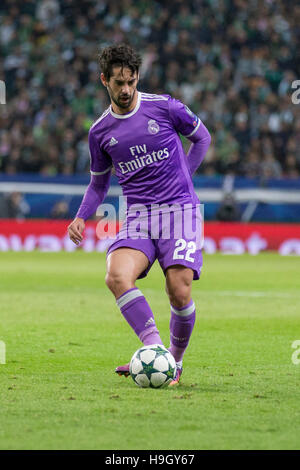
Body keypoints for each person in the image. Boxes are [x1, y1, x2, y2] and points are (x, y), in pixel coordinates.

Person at [68, 44, 211, 385]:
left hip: (180, 211)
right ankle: (156, 352)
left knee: (179, 290)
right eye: (118, 82)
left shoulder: (164, 107)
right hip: (139, 217)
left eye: (131, 81)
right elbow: (99, 185)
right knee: (116, 276)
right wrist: (80, 216)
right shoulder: (100, 132)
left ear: (137, 78)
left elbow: (202, 138)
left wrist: (185, 178)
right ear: (105, 80)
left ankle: (173, 363)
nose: (126, 89)